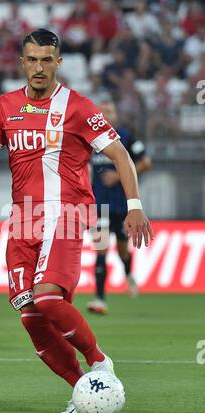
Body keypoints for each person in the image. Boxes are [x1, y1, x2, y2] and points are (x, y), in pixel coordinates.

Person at [0, 29, 153, 413]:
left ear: (58, 62)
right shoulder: (5, 106)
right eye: (32, 59)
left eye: (47, 59)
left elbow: (120, 155)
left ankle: (99, 363)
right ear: (22, 62)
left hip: (66, 213)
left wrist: (134, 205)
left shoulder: (78, 107)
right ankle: (83, 390)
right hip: (23, 220)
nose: (39, 67)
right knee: (31, 316)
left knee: (47, 298)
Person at [87, 99, 152, 315]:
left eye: (110, 111)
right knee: (101, 248)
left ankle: (128, 272)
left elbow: (145, 162)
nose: (106, 114)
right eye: (102, 111)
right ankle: (99, 299)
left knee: (123, 250)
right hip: (98, 206)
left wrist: (116, 176)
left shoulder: (125, 136)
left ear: (115, 114)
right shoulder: (89, 138)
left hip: (123, 206)